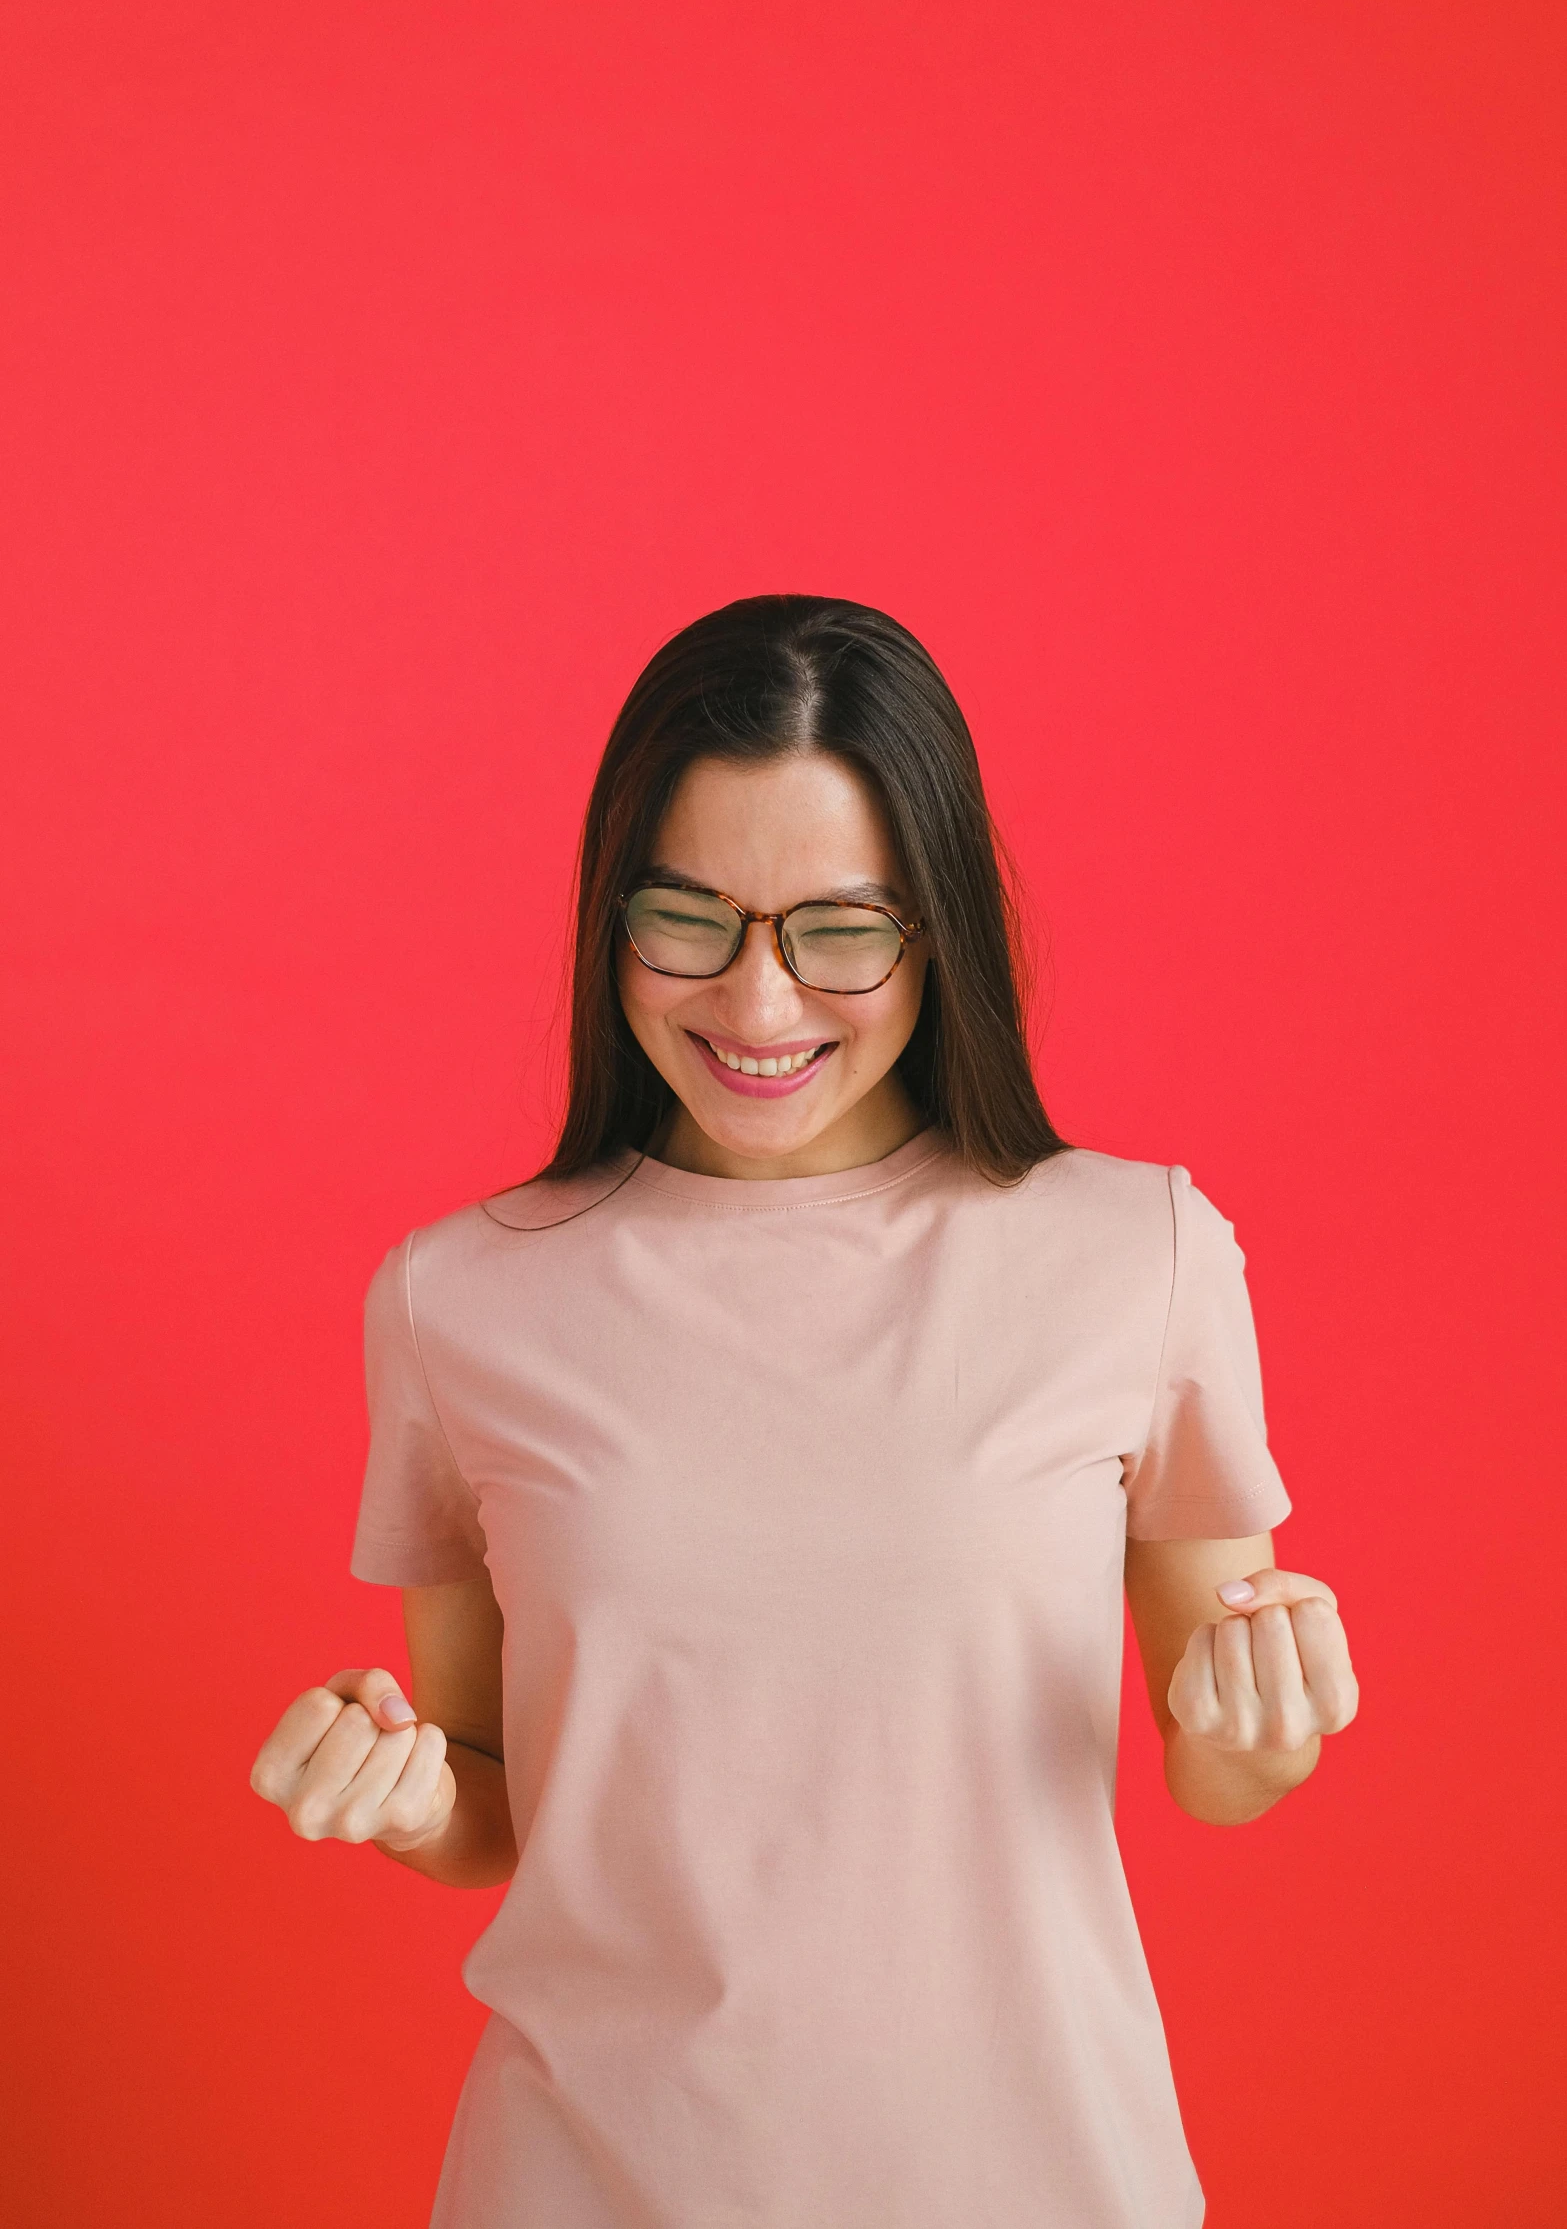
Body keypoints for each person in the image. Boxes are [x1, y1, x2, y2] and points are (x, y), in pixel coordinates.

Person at [249, 594, 1358, 2228]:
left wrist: (1261, 1726)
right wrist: (412, 1796)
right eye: (688, 919)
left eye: (837, 929)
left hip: (1040, 2178)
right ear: (610, 918)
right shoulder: (457, 1297)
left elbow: (1216, 1762)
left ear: (938, 928)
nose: (757, 1004)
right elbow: (490, 1787)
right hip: (585, 2180)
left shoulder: (1143, 1250)